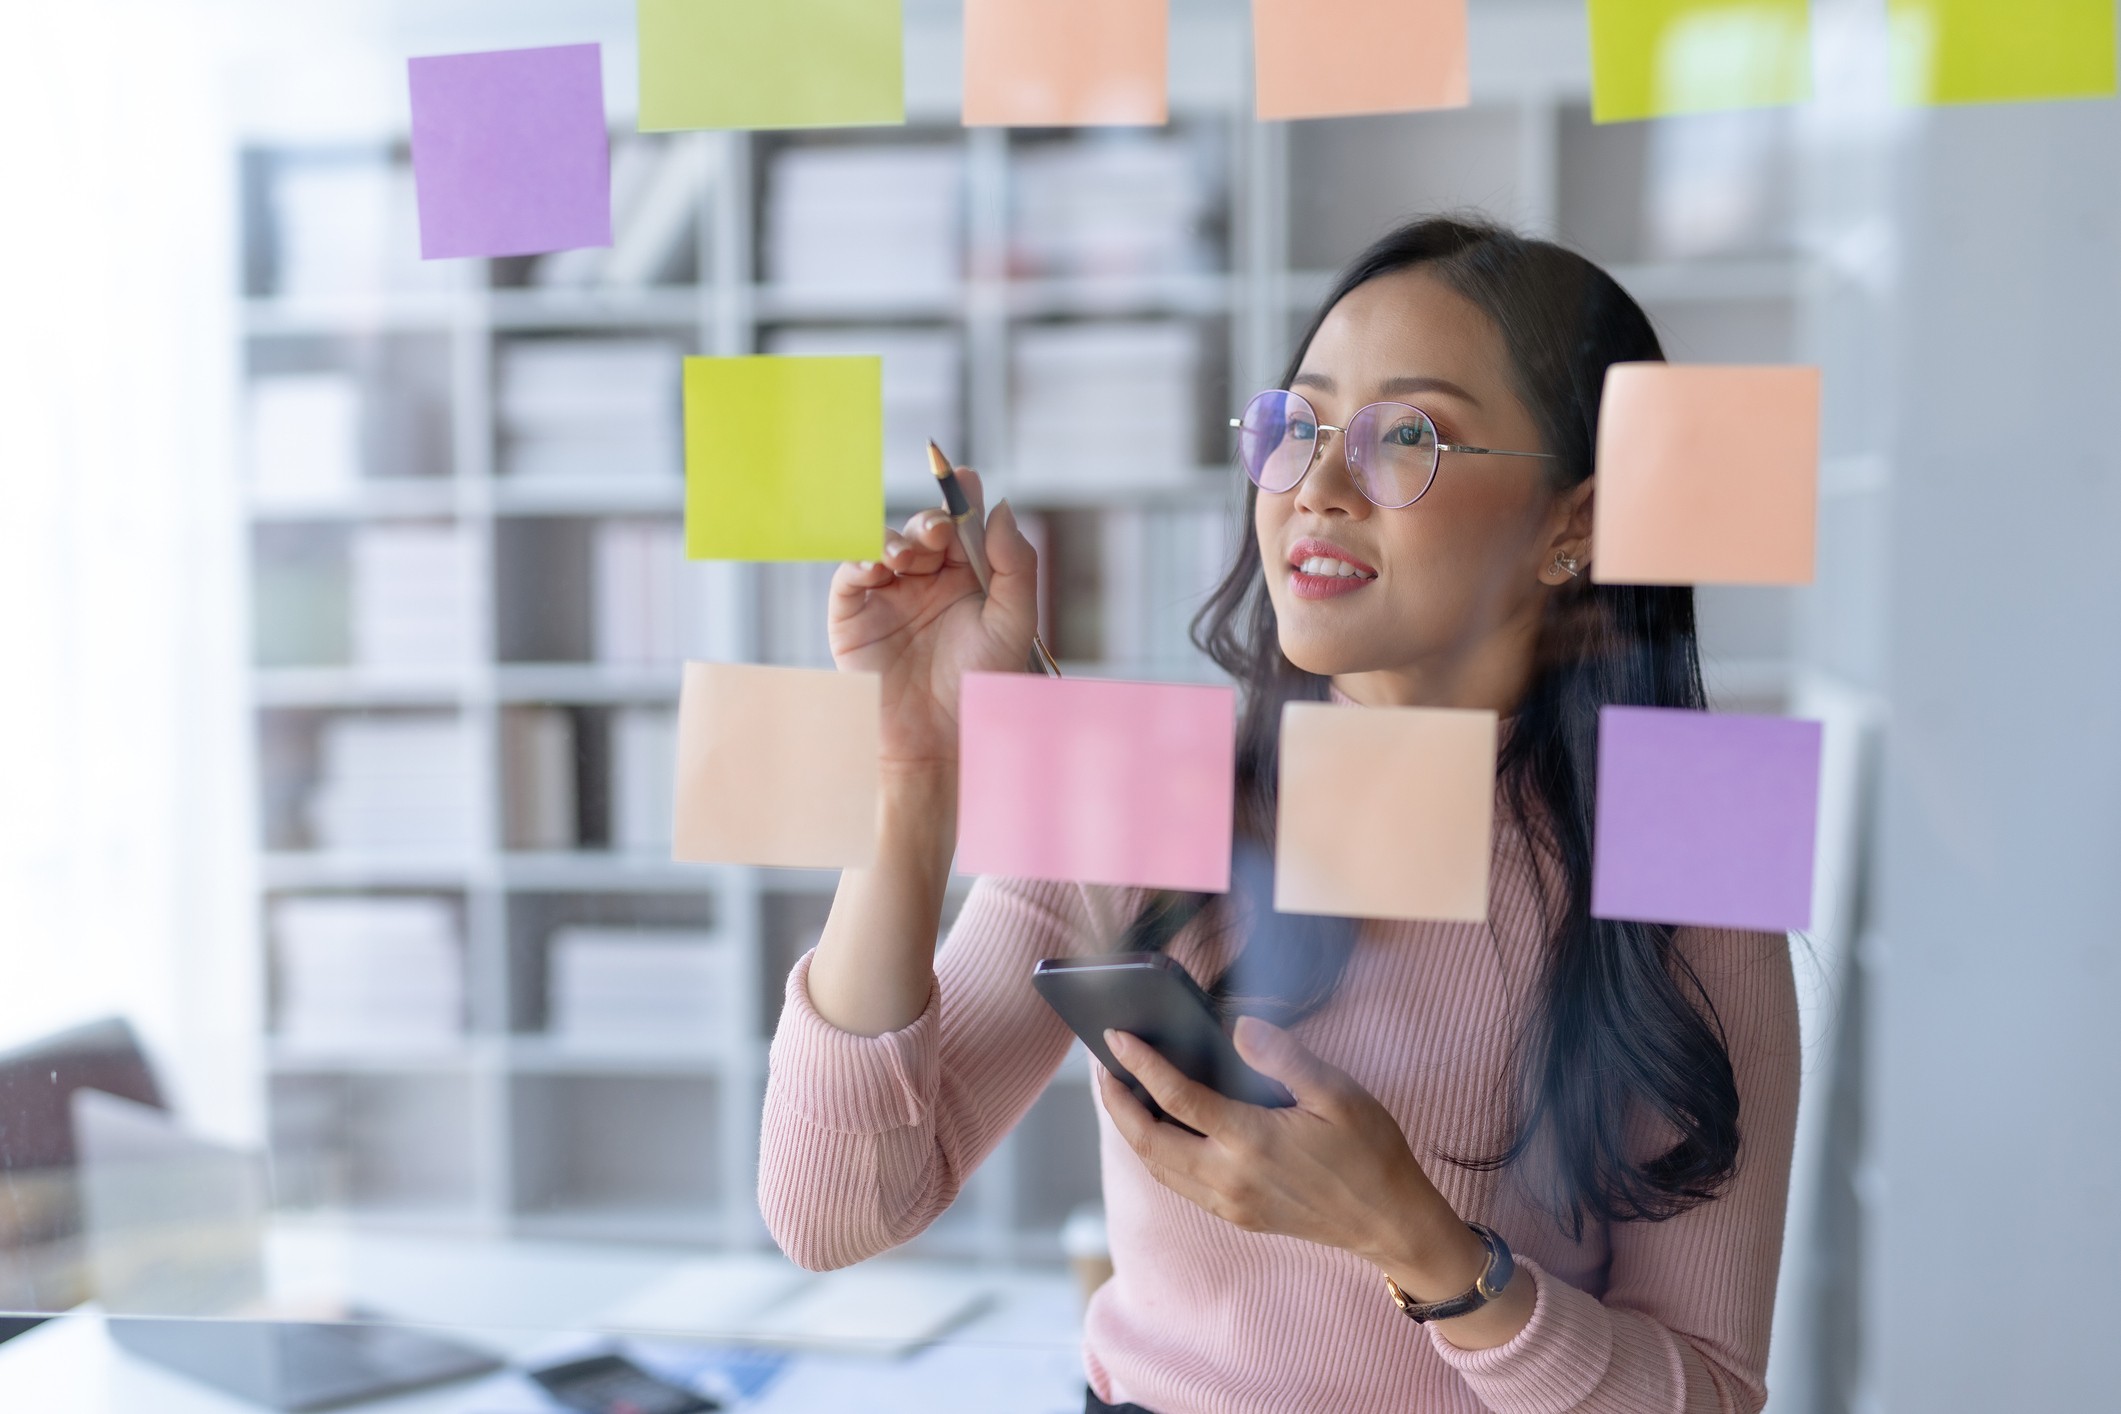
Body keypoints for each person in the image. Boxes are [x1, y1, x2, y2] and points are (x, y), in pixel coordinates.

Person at [757, 217, 1800, 1414]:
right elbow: (831, 1213)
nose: (1319, 485)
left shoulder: (1702, 838)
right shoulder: (1148, 779)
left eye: (1410, 435)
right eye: (1297, 425)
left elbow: (1713, 1391)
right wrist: (914, 775)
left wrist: (1421, 1245)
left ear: (1574, 523)